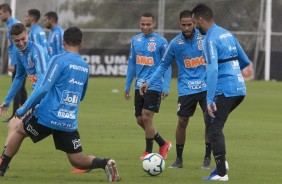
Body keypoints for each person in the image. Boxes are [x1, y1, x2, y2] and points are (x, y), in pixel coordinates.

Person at [0, 26, 121, 182]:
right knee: (77, 160)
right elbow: (82, 96)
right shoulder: (85, 66)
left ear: (63, 41)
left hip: (47, 115)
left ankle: (2, 166)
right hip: (68, 120)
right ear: (81, 43)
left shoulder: (57, 59)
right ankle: (105, 163)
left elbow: (43, 88)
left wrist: (24, 108)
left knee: (18, 130)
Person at [140, 10, 211, 169]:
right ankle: (179, 159)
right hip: (186, 89)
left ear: (194, 23)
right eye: (183, 25)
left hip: (206, 87)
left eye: (189, 24)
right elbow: (163, 65)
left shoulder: (204, 37)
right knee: (182, 121)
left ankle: (207, 158)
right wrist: (149, 83)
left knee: (209, 120)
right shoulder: (175, 44)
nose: (186, 28)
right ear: (180, 24)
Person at [191, 4, 250, 181]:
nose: (194, 27)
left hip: (225, 90)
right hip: (239, 89)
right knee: (214, 124)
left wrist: (209, 98)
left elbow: (213, 70)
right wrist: (232, 75)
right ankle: (221, 163)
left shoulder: (210, 39)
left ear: (201, 19)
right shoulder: (227, 34)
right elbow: (245, 60)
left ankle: (221, 173)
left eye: (194, 23)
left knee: (213, 129)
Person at [0, 23, 49, 169]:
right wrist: (7, 101)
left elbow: (42, 81)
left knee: (17, 126)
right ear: (12, 40)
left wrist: (27, 105)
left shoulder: (37, 51)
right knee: (13, 124)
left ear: (27, 33)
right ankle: (3, 162)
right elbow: (19, 77)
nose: (20, 43)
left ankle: (3, 162)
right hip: (38, 97)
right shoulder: (18, 53)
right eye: (17, 41)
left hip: (46, 97)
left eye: (23, 39)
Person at [124, 13, 172, 161]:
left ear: (154, 24)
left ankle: (148, 153)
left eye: (148, 24)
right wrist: (127, 85)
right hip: (139, 85)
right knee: (140, 119)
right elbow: (132, 63)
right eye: (143, 24)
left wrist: (166, 86)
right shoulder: (135, 40)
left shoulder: (161, 42)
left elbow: (167, 65)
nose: (145, 27)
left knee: (146, 116)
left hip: (154, 84)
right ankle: (163, 143)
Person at [0, 3, 27, 122]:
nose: (0, 16)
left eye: (0, 13)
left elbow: (18, 46)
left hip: (19, 61)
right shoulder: (9, 24)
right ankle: (27, 112)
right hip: (18, 61)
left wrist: (13, 63)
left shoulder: (14, 24)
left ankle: (15, 115)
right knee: (21, 89)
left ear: (7, 12)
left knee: (17, 88)